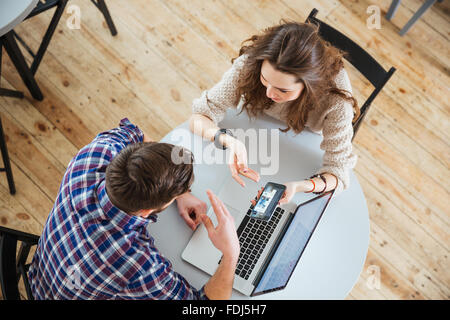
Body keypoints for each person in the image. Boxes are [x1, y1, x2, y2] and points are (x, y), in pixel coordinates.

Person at [28, 118, 240, 300]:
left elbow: (136, 133)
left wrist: (180, 192)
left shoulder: (96, 153)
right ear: (146, 212)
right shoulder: (136, 263)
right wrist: (230, 254)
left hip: (40, 277)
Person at [189, 21, 359, 201]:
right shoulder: (252, 62)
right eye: (264, 79)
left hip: (307, 137)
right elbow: (199, 116)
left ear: (311, 87)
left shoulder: (337, 101)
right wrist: (229, 141)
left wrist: (302, 186)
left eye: (283, 90)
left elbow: (338, 172)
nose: (269, 93)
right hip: (255, 122)